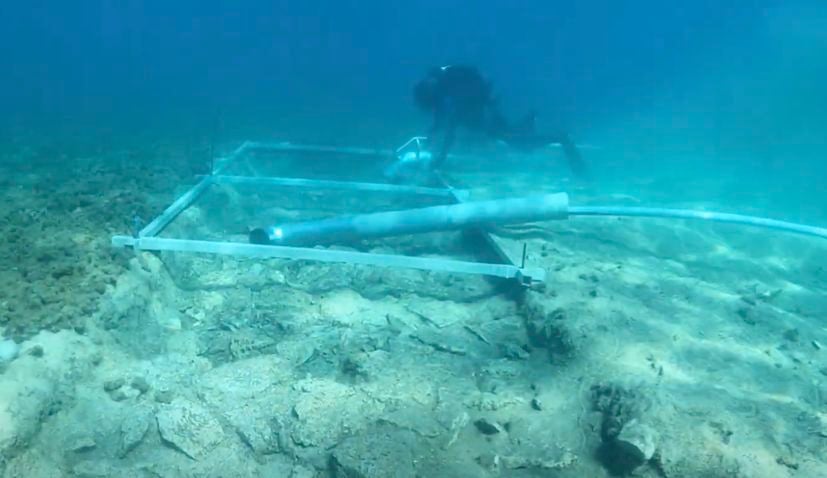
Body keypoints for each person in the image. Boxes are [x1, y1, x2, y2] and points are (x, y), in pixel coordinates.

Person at [412, 65, 587, 176]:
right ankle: (531, 119)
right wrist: (433, 134)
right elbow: (443, 120)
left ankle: (560, 137)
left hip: (487, 118)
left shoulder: (452, 93)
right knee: (515, 138)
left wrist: (441, 157)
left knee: (520, 143)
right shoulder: (447, 89)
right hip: (486, 116)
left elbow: (450, 126)